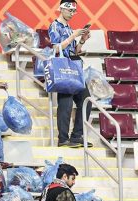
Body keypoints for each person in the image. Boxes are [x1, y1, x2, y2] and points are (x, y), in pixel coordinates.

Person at [48, 0, 93, 148]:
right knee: (66, 104)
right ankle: (63, 138)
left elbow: (75, 51)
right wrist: (73, 36)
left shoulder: (69, 28)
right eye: (70, 10)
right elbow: (56, 48)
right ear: (61, 9)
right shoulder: (55, 26)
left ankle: (76, 136)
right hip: (63, 67)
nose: (72, 14)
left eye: (74, 11)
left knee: (86, 100)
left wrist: (82, 41)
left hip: (74, 66)